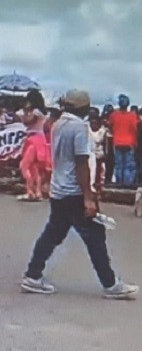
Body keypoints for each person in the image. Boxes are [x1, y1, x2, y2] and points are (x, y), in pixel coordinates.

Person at [21, 89, 138, 299]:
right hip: (73, 191)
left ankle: (32, 275)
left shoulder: (57, 124)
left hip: (59, 189)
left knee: (52, 234)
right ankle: (110, 284)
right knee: (94, 236)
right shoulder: (79, 128)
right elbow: (81, 163)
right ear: (83, 108)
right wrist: (88, 197)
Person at [17, 91, 51, 201]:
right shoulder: (41, 112)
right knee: (35, 168)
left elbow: (28, 122)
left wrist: (25, 112)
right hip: (38, 139)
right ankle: (38, 192)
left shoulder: (36, 112)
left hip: (34, 139)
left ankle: (30, 191)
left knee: (25, 165)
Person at [109, 94, 138, 186]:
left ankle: (119, 183)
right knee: (129, 166)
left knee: (119, 165)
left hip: (117, 142)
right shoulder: (133, 115)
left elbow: (110, 127)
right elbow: (136, 128)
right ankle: (127, 184)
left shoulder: (113, 115)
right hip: (130, 142)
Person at [89, 116, 107, 193]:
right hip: (90, 154)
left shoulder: (103, 132)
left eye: (95, 123)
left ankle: (99, 187)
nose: (94, 125)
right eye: (92, 123)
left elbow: (105, 143)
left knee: (100, 171)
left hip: (99, 154)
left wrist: (106, 154)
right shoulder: (87, 131)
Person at [101, 104, 116, 185]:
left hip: (113, 141)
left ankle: (110, 180)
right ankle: (106, 180)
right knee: (106, 163)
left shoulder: (113, 119)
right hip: (105, 142)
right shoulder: (101, 122)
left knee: (112, 163)